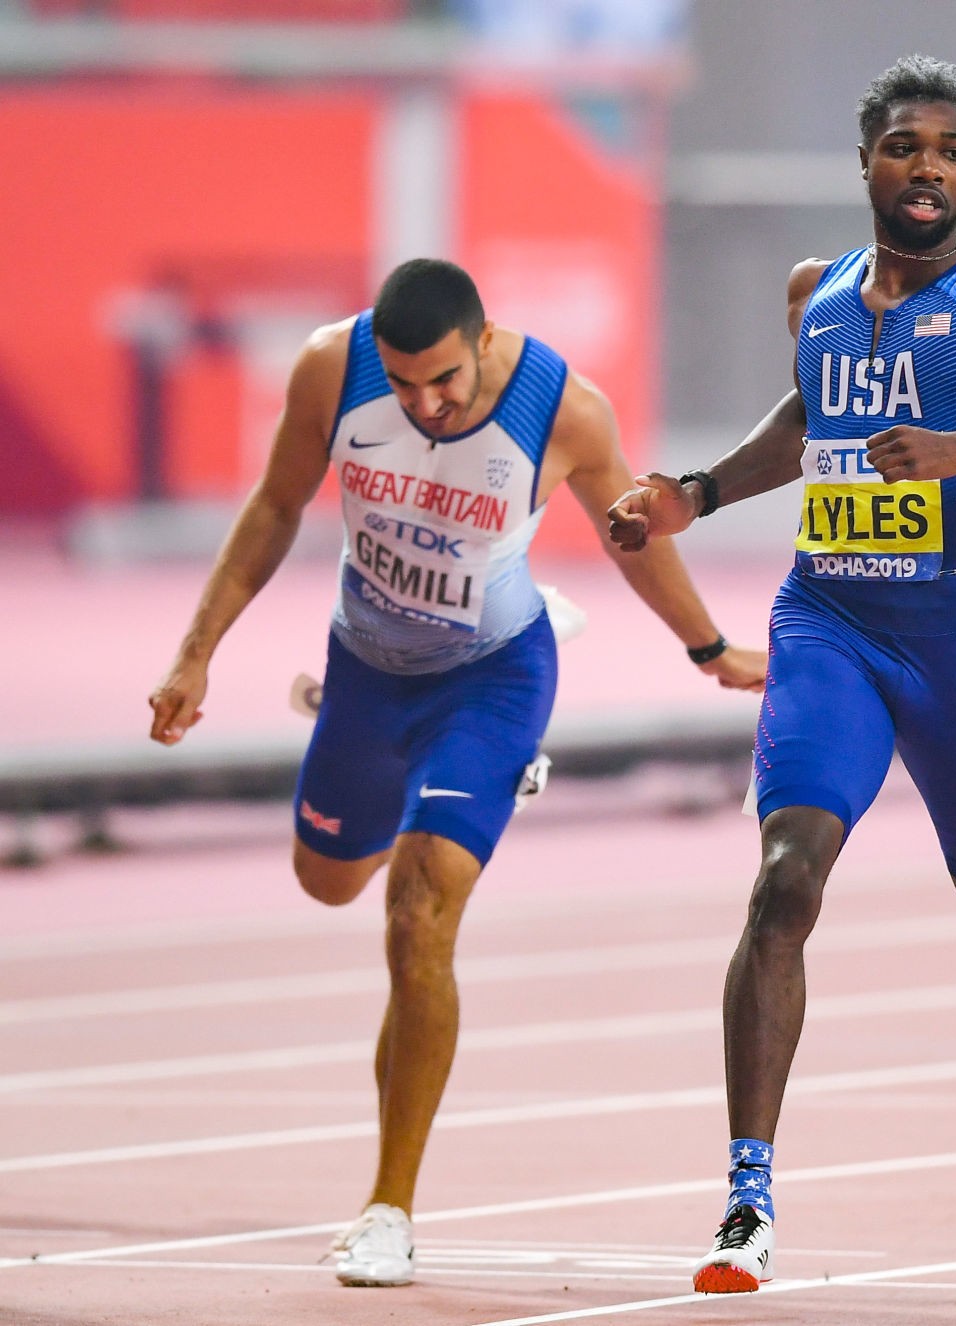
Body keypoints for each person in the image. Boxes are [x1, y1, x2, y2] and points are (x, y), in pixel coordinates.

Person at [607, 54, 956, 1294]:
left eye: (949, 151)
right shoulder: (819, 293)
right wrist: (695, 492)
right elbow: (804, 424)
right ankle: (746, 1200)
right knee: (784, 882)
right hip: (825, 625)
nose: (927, 170)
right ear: (865, 161)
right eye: (905, 147)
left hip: (953, 641)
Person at [146, 258, 765, 1288]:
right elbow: (273, 506)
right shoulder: (326, 373)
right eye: (404, 384)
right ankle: (424, 776)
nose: (426, 403)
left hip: (492, 677)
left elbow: (630, 538)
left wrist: (707, 649)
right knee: (328, 879)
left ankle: (387, 1209)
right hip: (365, 670)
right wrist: (195, 650)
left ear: (483, 340)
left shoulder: (561, 408)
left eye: (443, 380)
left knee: (417, 909)